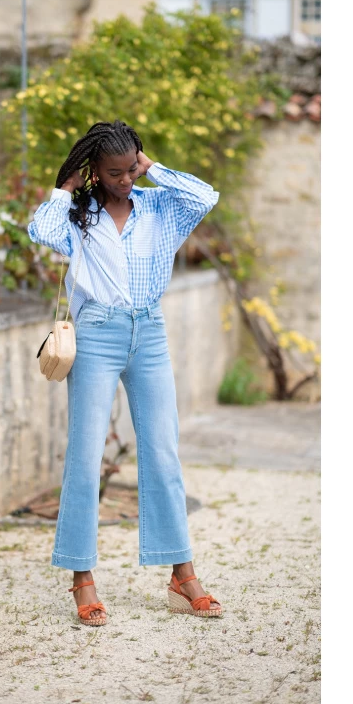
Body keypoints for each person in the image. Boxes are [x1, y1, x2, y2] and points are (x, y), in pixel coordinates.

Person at [27, 120, 222, 626]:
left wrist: (152, 167)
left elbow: (206, 196)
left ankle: (182, 575)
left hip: (149, 332)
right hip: (96, 333)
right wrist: (65, 187)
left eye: (131, 169)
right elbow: (40, 231)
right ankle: (82, 578)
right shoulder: (78, 215)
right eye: (114, 173)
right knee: (85, 454)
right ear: (94, 170)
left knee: (162, 451)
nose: (125, 181)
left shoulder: (159, 207)